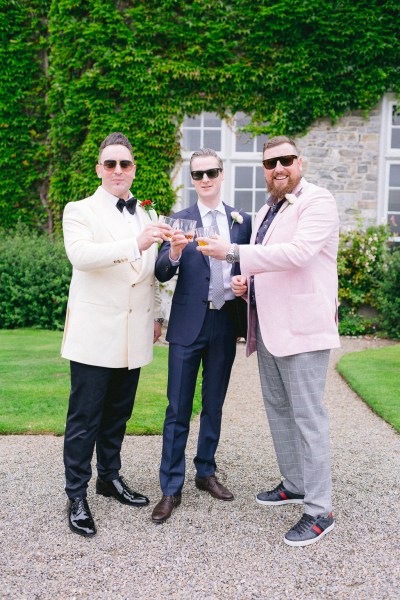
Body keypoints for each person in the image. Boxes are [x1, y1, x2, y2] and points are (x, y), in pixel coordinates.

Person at [198, 136, 340, 547]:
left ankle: (319, 509)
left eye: (286, 160)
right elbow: (270, 261)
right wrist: (247, 284)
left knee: (308, 416)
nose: (278, 168)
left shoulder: (318, 201)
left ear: (300, 162)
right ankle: (295, 483)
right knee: (279, 410)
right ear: (264, 169)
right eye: (270, 162)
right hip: (268, 327)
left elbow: (297, 254)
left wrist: (233, 255)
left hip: (303, 328)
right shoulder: (265, 209)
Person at [61, 131, 171, 537]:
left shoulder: (148, 212)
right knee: (84, 419)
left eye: (125, 164)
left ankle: (109, 478)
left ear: (134, 169)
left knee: (118, 416)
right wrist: (135, 241)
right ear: (99, 169)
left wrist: (158, 315)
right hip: (95, 335)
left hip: (134, 334)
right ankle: (76, 494)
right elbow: (82, 257)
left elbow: (150, 276)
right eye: (111, 164)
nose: (118, 170)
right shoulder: (79, 209)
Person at [151, 148, 252, 524]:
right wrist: (174, 254)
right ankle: (170, 488)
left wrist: (244, 284)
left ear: (221, 174)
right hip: (187, 325)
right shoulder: (179, 221)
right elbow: (161, 271)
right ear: (191, 179)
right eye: (198, 174)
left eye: (211, 172)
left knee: (214, 404)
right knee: (177, 408)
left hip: (224, 323)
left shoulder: (241, 221)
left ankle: (205, 471)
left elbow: (248, 265)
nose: (205, 179)